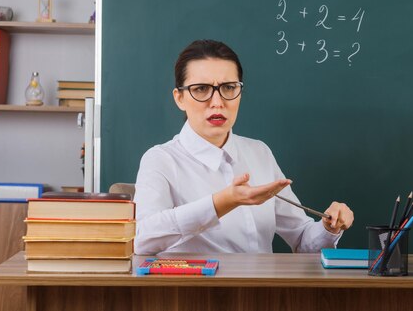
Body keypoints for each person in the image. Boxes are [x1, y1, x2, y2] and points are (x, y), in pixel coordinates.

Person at [134, 39, 354, 254]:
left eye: (229, 87)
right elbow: (142, 240)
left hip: (263, 288)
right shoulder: (160, 159)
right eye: (201, 89)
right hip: (195, 289)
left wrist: (328, 228)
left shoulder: (259, 152)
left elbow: (302, 240)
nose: (217, 102)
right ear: (179, 98)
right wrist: (223, 202)